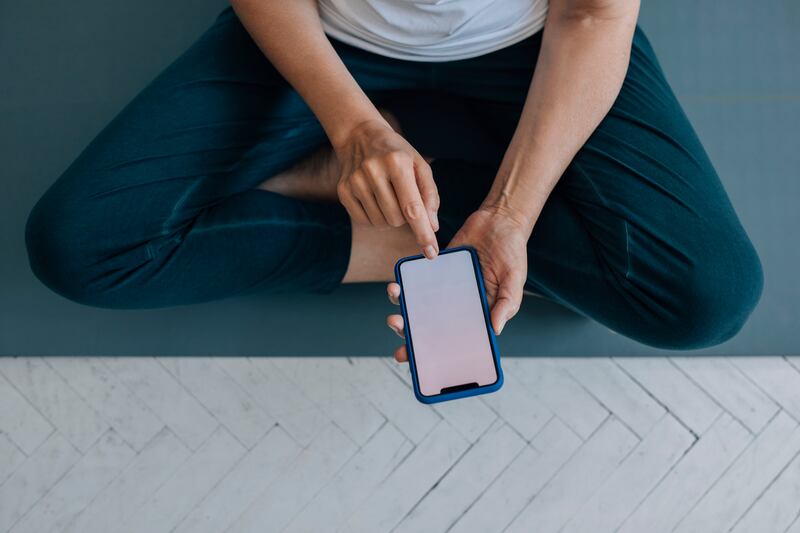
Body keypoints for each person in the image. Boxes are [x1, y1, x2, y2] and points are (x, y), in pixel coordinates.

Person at [25, 0, 763, 358]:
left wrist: (510, 211)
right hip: (329, 36)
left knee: (707, 296)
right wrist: (354, 129)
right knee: (83, 246)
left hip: (538, 42)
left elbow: (594, 12)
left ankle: (435, 198)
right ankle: (415, 189)